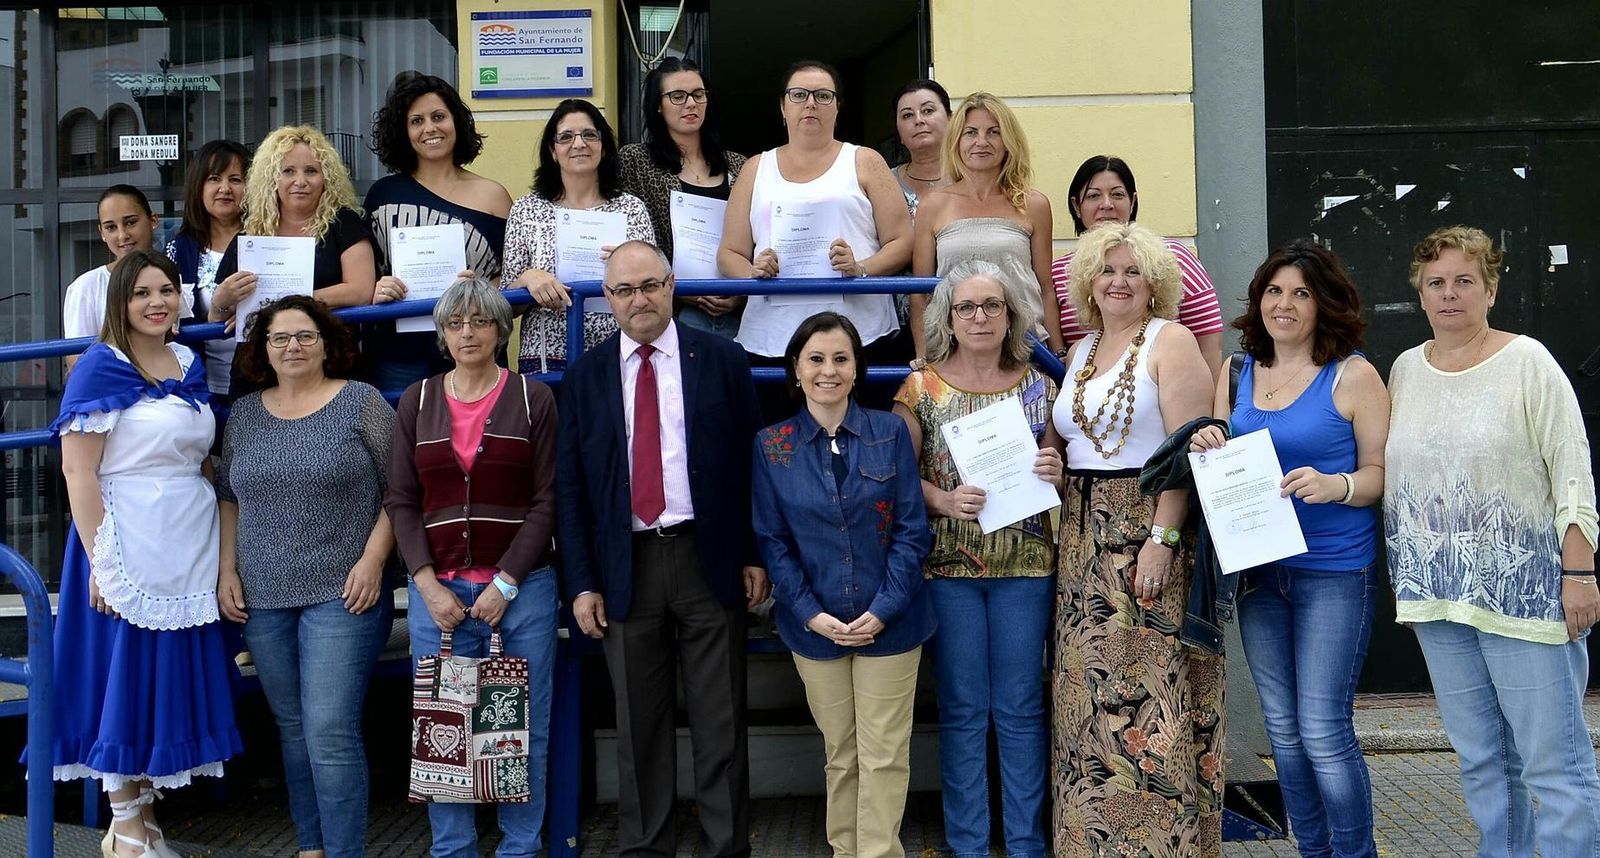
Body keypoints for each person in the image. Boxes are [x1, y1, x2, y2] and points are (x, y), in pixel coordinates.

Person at [1384, 226, 1600, 858]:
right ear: (1421, 294)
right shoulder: (1405, 370)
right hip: (1438, 600)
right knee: (1482, 760)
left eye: (1464, 281)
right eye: (1436, 283)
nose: (1449, 294)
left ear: (1492, 290)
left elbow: (1573, 471)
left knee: (1553, 765)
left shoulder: (1528, 362)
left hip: (1526, 596)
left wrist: (1580, 573)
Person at [555, 240, 766, 857]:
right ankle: (646, 847)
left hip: (708, 555)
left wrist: (754, 552)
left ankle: (726, 847)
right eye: (623, 290)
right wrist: (582, 583)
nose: (638, 300)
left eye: (649, 285)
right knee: (638, 722)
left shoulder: (722, 360)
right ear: (607, 298)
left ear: (671, 285)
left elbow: (751, 464)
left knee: (720, 717)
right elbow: (571, 488)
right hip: (626, 564)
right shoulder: (586, 375)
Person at [1189, 240, 1389, 858]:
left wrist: (1338, 485)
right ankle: (1314, 851)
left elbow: (1380, 474)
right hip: (1258, 572)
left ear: (1323, 303)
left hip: (1333, 570)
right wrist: (1208, 444)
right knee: (1283, 729)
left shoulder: (1353, 375)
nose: (1285, 304)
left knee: (1324, 729)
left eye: (1301, 293)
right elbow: (1219, 451)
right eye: (1274, 291)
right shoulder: (1235, 371)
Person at [45, 250, 241, 857]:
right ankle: (125, 822)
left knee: (163, 677)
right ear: (120, 302)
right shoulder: (100, 366)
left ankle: (144, 817)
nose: (157, 302)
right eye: (142, 293)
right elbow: (78, 472)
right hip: (124, 536)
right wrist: (101, 561)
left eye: (167, 290)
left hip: (186, 537)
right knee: (121, 677)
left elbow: (202, 459)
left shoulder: (187, 361)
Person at [1048, 222, 1222, 856]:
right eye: (1107, 270)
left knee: (1146, 693)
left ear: (1155, 284)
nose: (1118, 282)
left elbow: (1186, 452)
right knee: (1086, 691)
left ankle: (1158, 844)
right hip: (1082, 537)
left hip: (1144, 527)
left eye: (1132, 272)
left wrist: (1163, 539)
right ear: (1087, 282)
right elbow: (1076, 441)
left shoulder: (1171, 341)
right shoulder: (1082, 349)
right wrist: (1052, 463)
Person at [891, 260, 1060, 858]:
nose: (980, 317)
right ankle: (968, 844)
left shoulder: (1041, 386)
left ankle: (1025, 843)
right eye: (966, 307)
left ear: (1011, 315)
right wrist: (942, 499)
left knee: (1020, 707)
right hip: (948, 569)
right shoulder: (920, 388)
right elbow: (897, 477)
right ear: (948, 318)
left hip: (1027, 567)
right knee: (963, 709)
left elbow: (1062, 467)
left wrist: (1055, 468)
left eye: (992, 305)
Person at [386, 277, 559, 857]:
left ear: (500, 331)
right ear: (442, 333)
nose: (467, 333)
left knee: (521, 730)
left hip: (523, 592)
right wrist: (425, 584)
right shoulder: (417, 400)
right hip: (440, 595)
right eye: (455, 323)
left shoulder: (534, 398)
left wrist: (506, 582)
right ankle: (453, 850)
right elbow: (401, 500)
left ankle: (519, 849)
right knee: (443, 730)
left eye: (480, 321)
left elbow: (547, 501)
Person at [216, 296, 395, 858]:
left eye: (304, 336)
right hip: (262, 594)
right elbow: (228, 498)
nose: (292, 346)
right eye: (280, 338)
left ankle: (344, 852)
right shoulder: (244, 414)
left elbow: (403, 489)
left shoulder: (361, 402)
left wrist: (373, 560)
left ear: (325, 343)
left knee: (328, 730)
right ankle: (310, 847)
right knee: (292, 728)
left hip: (344, 591)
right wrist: (226, 570)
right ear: (264, 349)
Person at [752, 310, 932, 858]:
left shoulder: (889, 432)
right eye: (816, 359)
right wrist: (811, 613)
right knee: (842, 753)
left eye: (840, 359)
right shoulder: (772, 445)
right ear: (796, 368)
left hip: (891, 623)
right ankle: (845, 850)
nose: (827, 370)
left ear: (857, 369)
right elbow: (773, 542)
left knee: (884, 754)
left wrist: (884, 608)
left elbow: (911, 529)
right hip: (815, 626)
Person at [719, 59, 913, 363]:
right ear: (783, 107)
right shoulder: (756, 168)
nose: (810, 103)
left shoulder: (865, 161)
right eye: (799, 95)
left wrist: (860, 268)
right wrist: (751, 273)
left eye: (823, 95)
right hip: (773, 336)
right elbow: (729, 252)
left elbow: (902, 240)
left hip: (859, 333)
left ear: (837, 107)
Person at [367, 72, 513, 391]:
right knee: (401, 424)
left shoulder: (494, 196)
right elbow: (366, 276)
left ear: (456, 122)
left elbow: (512, 281)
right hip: (399, 356)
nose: (430, 128)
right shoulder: (382, 195)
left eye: (438, 117)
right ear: (403, 131)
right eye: (416, 121)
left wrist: (481, 290)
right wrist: (376, 290)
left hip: (475, 350)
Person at [215, 126, 378, 397]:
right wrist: (221, 301)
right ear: (272, 178)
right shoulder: (251, 233)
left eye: (311, 171)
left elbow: (360, 290)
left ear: (326, 179)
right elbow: (222, 315)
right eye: (288, 171)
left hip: (330, 360)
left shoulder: (344, 223)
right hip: (258, 366)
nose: (300, 181)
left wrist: (284, 304)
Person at [506, 99, 655, 373]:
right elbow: (506, 307)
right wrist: (528, 278)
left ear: (603, 146)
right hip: (546, 359)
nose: (579, 144)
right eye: (566, 137)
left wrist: (628, 264)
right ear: (552, 151)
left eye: (589, 135)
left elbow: (653, 284)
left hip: (619, 355)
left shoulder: (631, 209)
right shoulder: (527, 209)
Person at [910, 91, 1062, 357]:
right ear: (956, 141)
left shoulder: (1033, 204)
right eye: (970, 132)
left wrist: (1058, 354)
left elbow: (1045, 288)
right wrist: (924, 356)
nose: (981, 142)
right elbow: (920, 294)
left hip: (1024, 348)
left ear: (1008, 141)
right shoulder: (932, 206)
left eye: (994, 132)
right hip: (955, 352)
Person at [1049, 156, 1224, 376]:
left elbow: (1209, 347)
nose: (1107, 204)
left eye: (1117, 194)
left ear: (1132, 202)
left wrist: (1211, 398)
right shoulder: (1059, 273)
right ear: (1076, 206)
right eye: (1093, 196)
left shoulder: (1173, 257)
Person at [618, 57, 748, 338]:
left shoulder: (740, 165)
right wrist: (680, 289)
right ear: (658, 105)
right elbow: (629, 237)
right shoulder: (635, 161)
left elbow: (756, 236)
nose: (690, 103)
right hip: (671, 312)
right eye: (678, 96)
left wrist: (742, 291)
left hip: (737, 312)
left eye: (698, 94)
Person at [166, 140, 250, 402]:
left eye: (235, 179)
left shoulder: (269, 238)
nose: (225, 188)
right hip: (200, 388)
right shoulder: (179, 248)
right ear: (198, 186)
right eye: (214, 179)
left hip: (264, 383)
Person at [63, 184, 160, 370]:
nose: (122, 235)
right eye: (111, 227)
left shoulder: (173, 275)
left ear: (153, 220)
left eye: (131, 222)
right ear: (101, 233)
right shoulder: (86, 286)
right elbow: (77, 361)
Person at [889, 79, 952, 217]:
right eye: (907, 115)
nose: (918, 120)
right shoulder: (884, 183)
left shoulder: (973, 178)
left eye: (928, 111)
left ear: (950, 119)